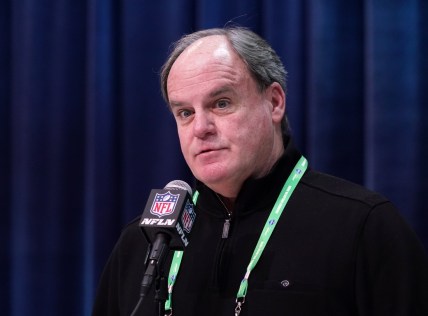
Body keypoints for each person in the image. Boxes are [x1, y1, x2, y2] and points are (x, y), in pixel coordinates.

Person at [93, 27, 428, 316]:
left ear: (275, 103)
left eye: (221, 103)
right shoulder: (145, 245)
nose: (201, 128)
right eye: (185, 112)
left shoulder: (364, 226)